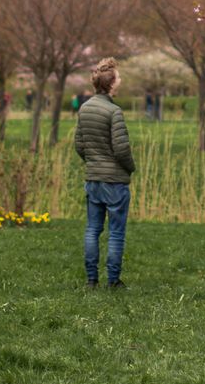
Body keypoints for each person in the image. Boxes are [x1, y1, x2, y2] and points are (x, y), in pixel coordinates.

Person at [73, 58, 135, 290]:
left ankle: (91, 280)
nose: (120, 80)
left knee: (92, 230)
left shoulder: (84, 108)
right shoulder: (114, 112)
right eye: (118, 78)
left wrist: (92, 162)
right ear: (111, 84)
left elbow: (79, 144)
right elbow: (121, 149)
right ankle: (113, 281)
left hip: (93, 179)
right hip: (115, 181)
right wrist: (130, 167)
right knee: (116, 233)